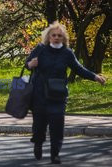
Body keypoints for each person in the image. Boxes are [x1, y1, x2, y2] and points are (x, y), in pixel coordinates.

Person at [25, 21, 106, 164]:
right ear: (48, 37)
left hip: (58, 95)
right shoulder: (40, 49)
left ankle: (55, 154)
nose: (56, 38)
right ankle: (38, 143)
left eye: (59, 36)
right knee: (39, 126)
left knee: (57, 126)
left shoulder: (67, 53)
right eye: (53, 35)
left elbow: (79, 69)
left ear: (63, 38)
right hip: (39, 95)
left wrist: (95, 77)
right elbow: (27, 64)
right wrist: (31, 64)